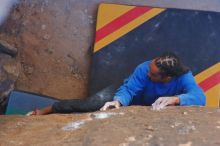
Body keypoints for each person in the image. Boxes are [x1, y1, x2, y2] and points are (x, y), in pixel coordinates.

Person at [26, 52, 206, 115]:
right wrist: (118, 101)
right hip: (129, 94)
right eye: (149, 68)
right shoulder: (144, 69)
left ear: (167, 77)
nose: (148, 73)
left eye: (153, 74)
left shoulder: (184, 76)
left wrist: (175, 99)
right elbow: (129, 89)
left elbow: (200, 96)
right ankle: (48, 109)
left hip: (149, 107)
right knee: (93, 104)